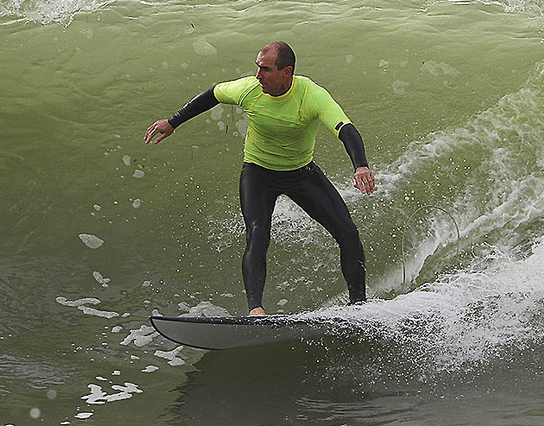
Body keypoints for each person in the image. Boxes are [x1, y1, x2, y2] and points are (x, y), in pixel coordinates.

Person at [145, 41, 375, 316]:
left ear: (287, 72)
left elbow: (345, 128)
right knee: (258, 233)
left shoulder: (311, 95)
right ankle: (256, 309)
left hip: (301, 173)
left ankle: (359, 309)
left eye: (265, 69)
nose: (258, 75)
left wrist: (360, 165)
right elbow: (213, 94)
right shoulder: (250, 90)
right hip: (258, 172)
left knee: (348, 233)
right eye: (257, 68)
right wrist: (173, 122)